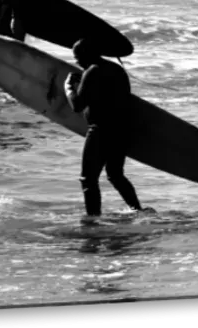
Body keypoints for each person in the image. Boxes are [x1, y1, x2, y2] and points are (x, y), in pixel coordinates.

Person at [65, 38, 153, 219]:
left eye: (78, 57)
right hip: (121, 129)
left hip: (100, 130)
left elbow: (77, 105)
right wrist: (83, 81)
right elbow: (108, 94)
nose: (77, 61)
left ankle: (93, 219)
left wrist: (68, 88)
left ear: (87, 55)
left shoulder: (93, 71)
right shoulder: (115, 69)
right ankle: (137, 210)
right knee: (115, 174)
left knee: (88, 179)